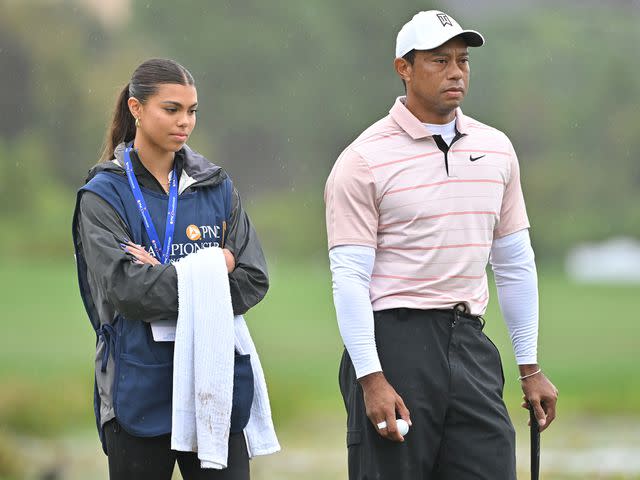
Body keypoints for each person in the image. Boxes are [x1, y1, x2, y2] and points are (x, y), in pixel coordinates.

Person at [324, 10, 558, 479]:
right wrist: (371, 378)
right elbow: (349, 277)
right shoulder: (363, 159)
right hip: (393, 344)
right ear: (404, 68)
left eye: (462, 61)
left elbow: (514, 263)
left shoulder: (497, 150)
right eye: (438, 61)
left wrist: (529, 367)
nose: (455, 72)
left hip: (469, 341)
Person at [72, 58, 272, 480]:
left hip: (214, 386)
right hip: (138, 386)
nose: (185, 122)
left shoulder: (216, 186)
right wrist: (213, 267)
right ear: (136, 109)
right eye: (172, 109)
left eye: (192, 110)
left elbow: (253, 278)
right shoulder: (103, 195)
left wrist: (162, 271)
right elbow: (128, 291)